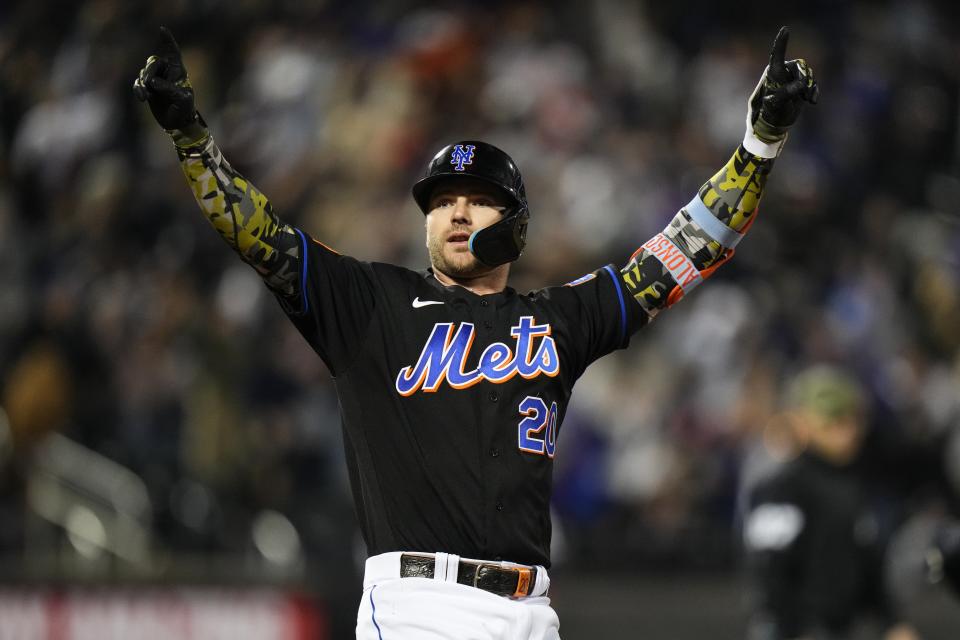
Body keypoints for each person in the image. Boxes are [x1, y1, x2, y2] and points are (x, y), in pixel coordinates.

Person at [134, 25, 817, 640]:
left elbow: (680, 254)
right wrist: (191, 136)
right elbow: (260, 235)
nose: (455, 213)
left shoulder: (558, 318)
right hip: (417, 606)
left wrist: (760, 143)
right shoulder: (368, 304)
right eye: (440, 201)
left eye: (477, 199)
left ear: (515, 225)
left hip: (531, 611)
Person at [742, 366, 921, 640]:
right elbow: (768, 573)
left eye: (852, 419)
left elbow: (867, 566)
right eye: (833, 420)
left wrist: (892, 623)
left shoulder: (855, 485)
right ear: (803, 421)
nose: (846, 430)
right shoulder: (782, 487)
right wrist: (789, 629)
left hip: (839, 630)